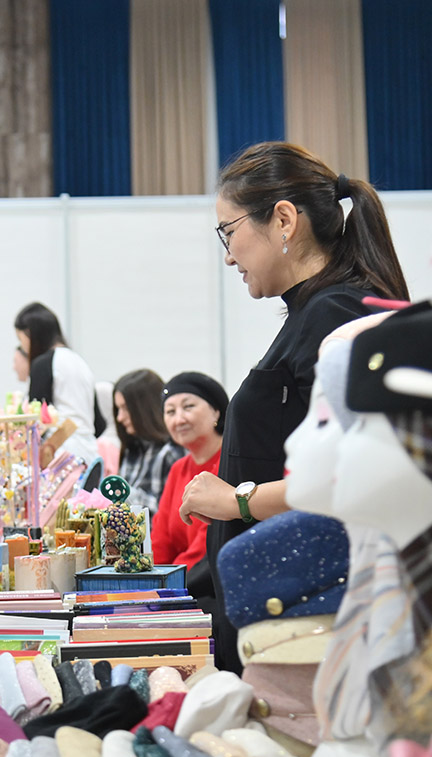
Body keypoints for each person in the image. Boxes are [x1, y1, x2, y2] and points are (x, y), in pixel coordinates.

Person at [180, 141, 410, 672]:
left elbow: (358, 475)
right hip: (284, 607)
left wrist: (238, 501)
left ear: (283, 220)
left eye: (229, 231)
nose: (228, 255)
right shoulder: (318, 312)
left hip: (306, 619)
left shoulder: (337, 314)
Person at [150, 372, 227, 603]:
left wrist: (165, 587)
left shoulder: (228, 464)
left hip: (210, 590)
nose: (179, 419)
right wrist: (150, 581)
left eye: (188, 407)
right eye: (170, 411)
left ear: (216, 411)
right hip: (177, 586)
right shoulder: (178, 469)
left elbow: (206, 547)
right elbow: (161, 540)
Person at [14, 302, 103, 464]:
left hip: (60, 457)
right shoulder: (80, 362)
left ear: (30, 334)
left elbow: (35, 421)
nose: (23, 347)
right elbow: (99, 423)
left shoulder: (43, 364)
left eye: (21, 339)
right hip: (91, 455)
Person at [112, 369, 183, 516]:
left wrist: (126, 496)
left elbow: (168, 515)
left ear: (144, 409)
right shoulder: (132, 449)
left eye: (125, 408)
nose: (120, 417)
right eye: (118, 409)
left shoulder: (170, 452)